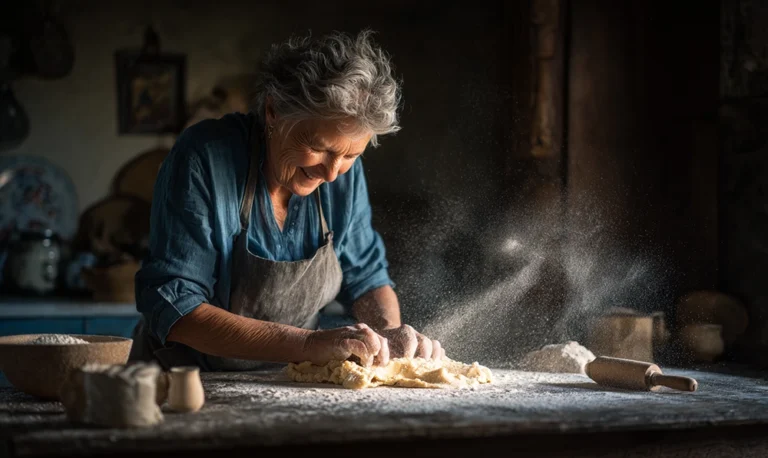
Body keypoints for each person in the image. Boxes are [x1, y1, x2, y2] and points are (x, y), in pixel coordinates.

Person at [128, 30, 445, 371]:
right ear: (273, 111)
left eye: (351, 154)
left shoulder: (342, 175)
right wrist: (309, 344)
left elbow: (366, 277)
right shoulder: (205, 157)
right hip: (183, 380)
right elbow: (177, 306)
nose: (332, 172)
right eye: (320, 148)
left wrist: (385, 336)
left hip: (284, 378)